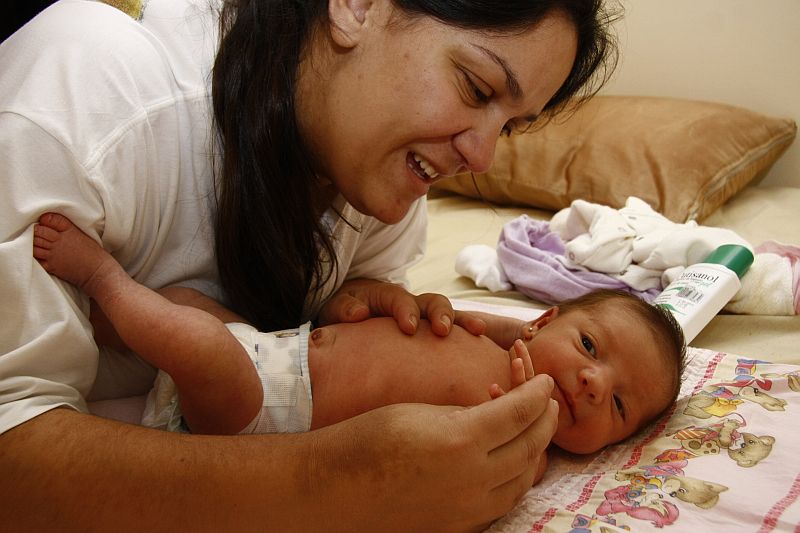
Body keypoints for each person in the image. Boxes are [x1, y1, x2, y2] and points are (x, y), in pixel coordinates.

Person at [1, 0, 617, 529]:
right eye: (476, 89)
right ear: (356, 7)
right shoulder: (95, 95)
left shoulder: (384, 181)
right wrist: (337, 482)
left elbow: (303, 359)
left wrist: (356, 310)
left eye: (508, 128)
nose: (481, 158)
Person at [34, 212, 684, 478]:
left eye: (619, 405)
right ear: (541, 322)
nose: (594, 382)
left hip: (264, 415)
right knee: (187, 307)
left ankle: (102, 281)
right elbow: (477, 322)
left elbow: (481, 478)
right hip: (277, 347)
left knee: (195, 343)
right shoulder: (501, 336)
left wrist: (527, 431)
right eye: (590, 345)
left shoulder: (524, 442)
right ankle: (89, 326)